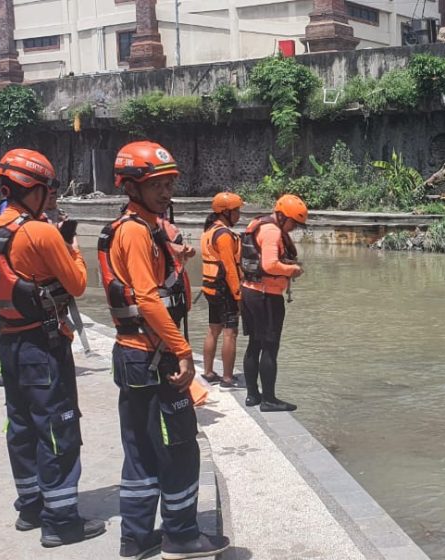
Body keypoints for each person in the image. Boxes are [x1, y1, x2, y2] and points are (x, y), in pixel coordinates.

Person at [98, 141, 229, 559]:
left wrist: (176, 253)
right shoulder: (136, 231)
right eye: (157, 185)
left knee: (140, 449)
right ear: (131, 186)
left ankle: (136, 537)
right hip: (154, 357)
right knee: (178, 448)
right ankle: (182, 535)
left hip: (134, 355)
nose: (166, 192)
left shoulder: (135, 227)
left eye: (170, 183)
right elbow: (149, 299)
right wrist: (183, 351)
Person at [0, 149, 104, 547]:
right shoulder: (40, 231)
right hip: (43, 344)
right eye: (47, 189)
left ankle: (31, 505)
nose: (50, 196)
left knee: (20, 426)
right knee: (58, 427)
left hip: (10, 343)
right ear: (32, 189)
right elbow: (78, 285)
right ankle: (61, 519)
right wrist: (69, 245)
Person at [240, 194, 306, 412]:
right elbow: (269, 265)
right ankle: (269, 399)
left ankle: (252, 395)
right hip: (266, 296)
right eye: (293, 223)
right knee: (270, 346)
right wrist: (292, 270)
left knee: (254, 344)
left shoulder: (257, 224)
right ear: (281, 216)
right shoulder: (273, 231)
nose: (294, 228)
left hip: (250, 291)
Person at [200, 192, 244, 388]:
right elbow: (229, 268)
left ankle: (208, 372)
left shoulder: (209, 231)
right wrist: (238, 294)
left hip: (210, 287)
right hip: (224, 288)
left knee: (213, 329)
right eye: (237, 211)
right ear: (226, 212)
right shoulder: (224, 235)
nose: (239, 215)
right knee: (230, 333)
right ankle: (227, 377)